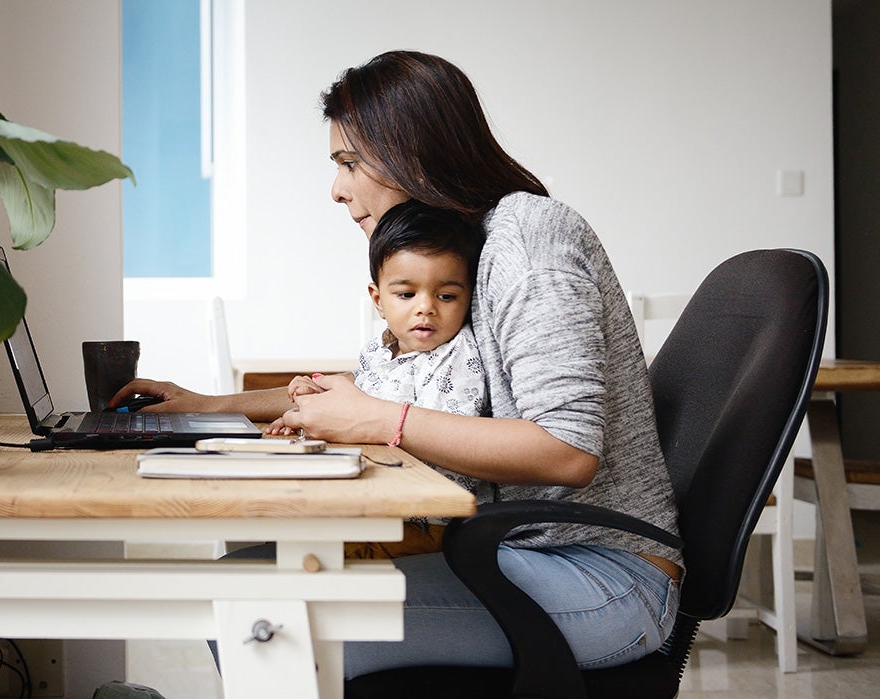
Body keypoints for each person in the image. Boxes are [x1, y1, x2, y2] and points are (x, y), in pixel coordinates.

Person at [112, 50, 681, 676]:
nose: (336, 189)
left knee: (260, 617)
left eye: (349, 162)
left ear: (415, 153)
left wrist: (381, 420)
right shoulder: (469, 246)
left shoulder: (528, 240)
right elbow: (383, 388)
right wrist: (209, 405)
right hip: (513, 553)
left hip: (601, 577)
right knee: (236, 585)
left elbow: (567, 452)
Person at [274, 199, 489, 559]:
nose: (426, 307)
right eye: (406, 294)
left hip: (429, 522)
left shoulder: (460, 357)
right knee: (287, 529)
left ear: (468, 298)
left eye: (447, 296)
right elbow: (354, 410)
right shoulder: (379, 350)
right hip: (374, 499)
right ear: (378, 299)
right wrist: (311, 405)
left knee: (319, 553)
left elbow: (448, 439)